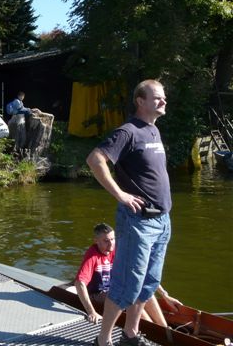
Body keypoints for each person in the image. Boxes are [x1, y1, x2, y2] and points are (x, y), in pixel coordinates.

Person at [86, 79, 172, 346]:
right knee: (126, 285)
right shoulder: (128, 131)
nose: (163, 101)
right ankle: (103, 339)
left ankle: (130, 334)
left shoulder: (153, 131)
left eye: (163, 97)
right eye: (157, 97)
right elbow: (95, 159)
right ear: (140, 101)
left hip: (162, 221)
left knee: (148, 282)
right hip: (138, 222)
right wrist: (120, 194)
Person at [75, 223, 181, 328]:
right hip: (97, 294)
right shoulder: (92, 255)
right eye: (106, 241)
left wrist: (165, 296)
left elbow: (142, 273)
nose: (111, 245)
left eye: (112, 239)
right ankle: (152, 329)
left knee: (144, 289)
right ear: (96, 241)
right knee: (128, 294)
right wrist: (91, 312)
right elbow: (79, 283)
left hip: (115, 290)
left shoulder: (119, 250)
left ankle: (163, 327)